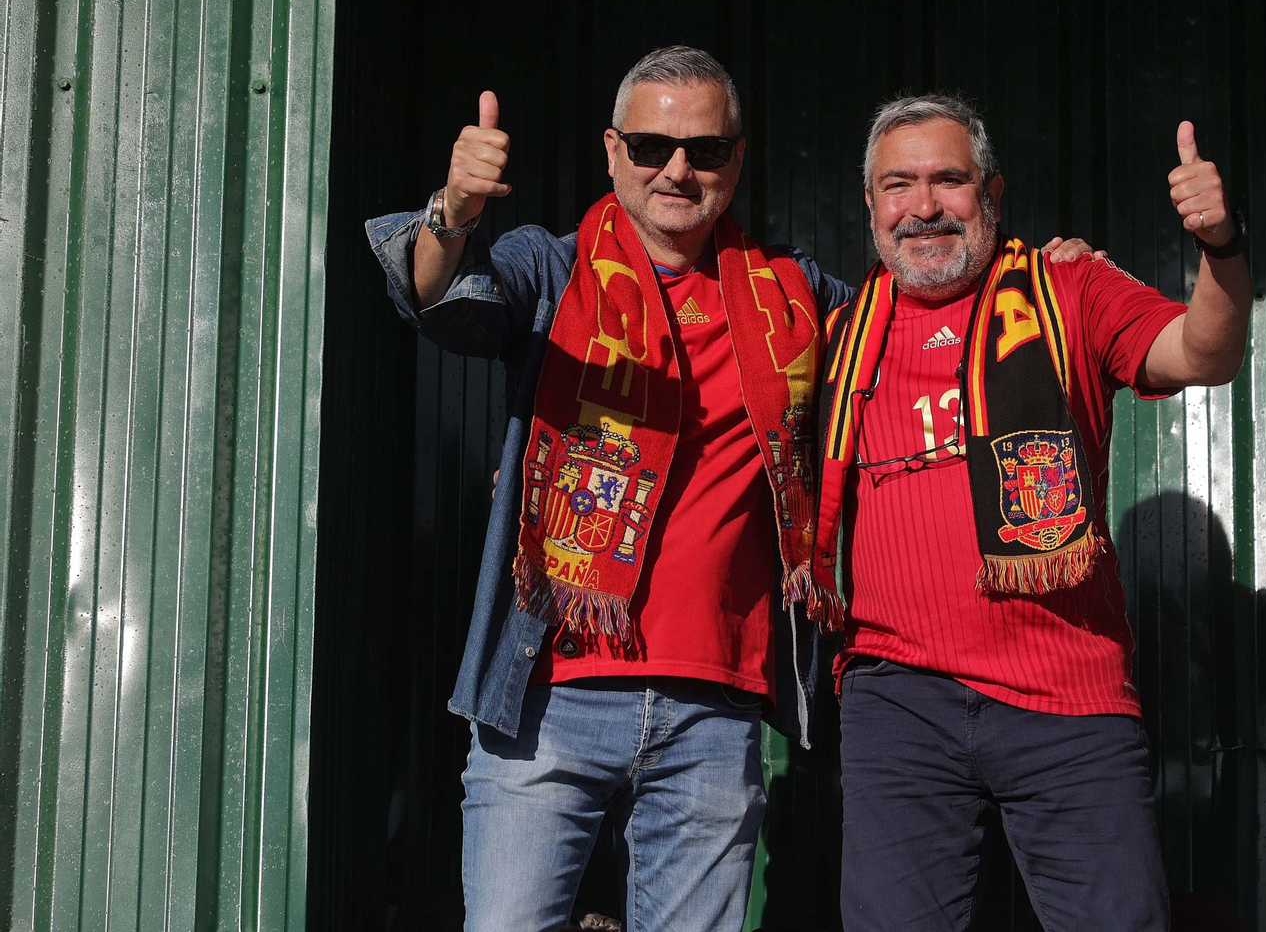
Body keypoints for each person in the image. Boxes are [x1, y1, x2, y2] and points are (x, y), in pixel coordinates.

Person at [367, 46, 1105, 930]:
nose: (677, 169)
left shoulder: (792, 294)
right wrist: (452, 213)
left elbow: (917, 298)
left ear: (738, 160)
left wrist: (1034, 276)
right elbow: (437, 298)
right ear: (612, 152)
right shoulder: (550, 271)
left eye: (705, 150)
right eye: (650, 146)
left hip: (713, 714)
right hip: (548, 697)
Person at [810, 94, 1253, 931]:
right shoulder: (836, 334)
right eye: (897, 184)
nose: (925, 205)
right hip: (896, 701)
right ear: (870, 204)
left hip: (1067, 698)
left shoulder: (1069, 290)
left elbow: (1206, 351)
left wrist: (1219, 245)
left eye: (950, 180)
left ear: (994, 193)